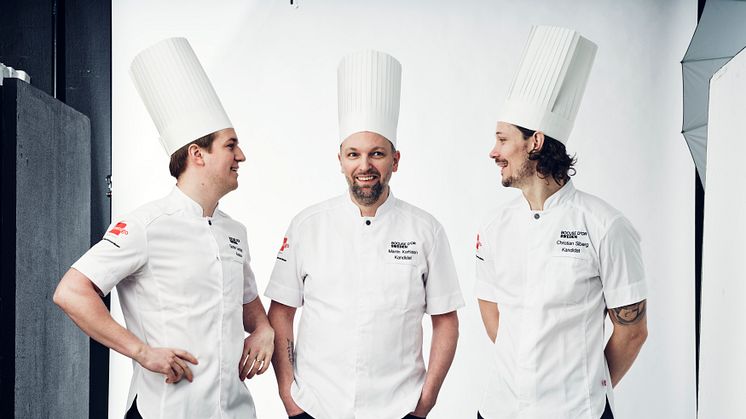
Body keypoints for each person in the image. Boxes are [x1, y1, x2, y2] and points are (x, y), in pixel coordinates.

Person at [53, 37, 274, 419]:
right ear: (197, 154)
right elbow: (72, 291)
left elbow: (247, 301)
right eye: (230, 146)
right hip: (167, 409)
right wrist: (142, 352)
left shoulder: (235, 232)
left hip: (234, 410)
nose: (241, 156)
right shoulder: (144, 225)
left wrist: (264, 330)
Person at [265, 50, 464, 419]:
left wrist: (425, 403)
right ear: (340, 159)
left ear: (395, 160)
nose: (365, 165)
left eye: (377, 153)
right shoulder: (307, 226)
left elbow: (446, 321)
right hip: (315, 406)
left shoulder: (426, 230)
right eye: (353, 154)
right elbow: (280, 313)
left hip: (400, 407)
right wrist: (288, 396)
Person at [475, 26, 648, 419]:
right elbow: (491, 305)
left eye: (502, 140)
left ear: (535, 141)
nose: (493, 151)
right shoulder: (495, 227)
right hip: (499, 408)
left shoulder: (605, 225)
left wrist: (583, 388)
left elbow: (632, 331)